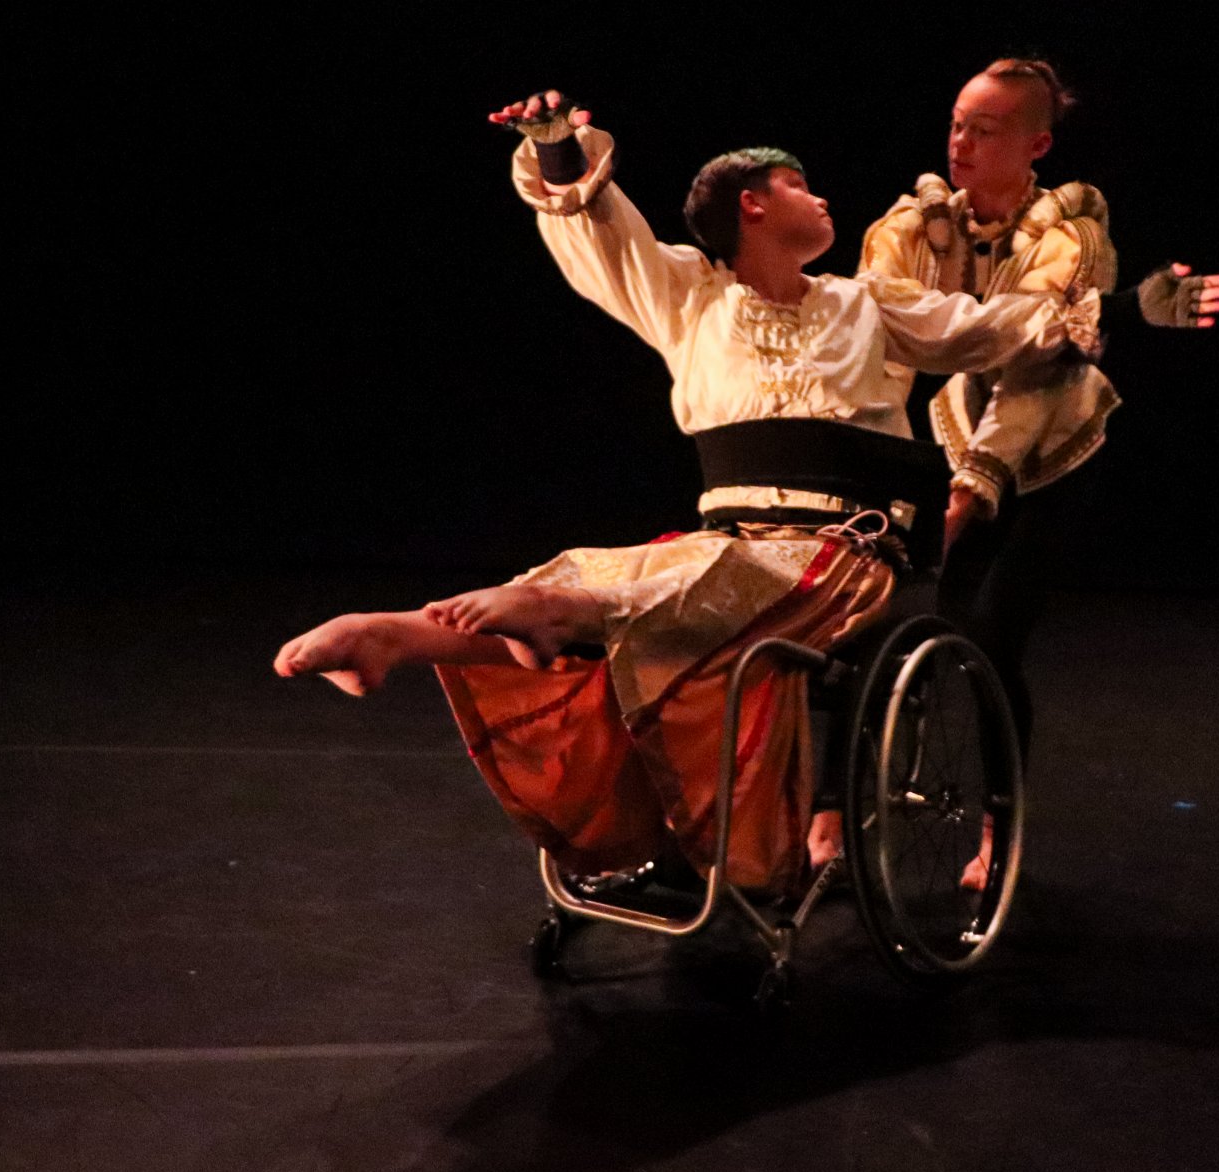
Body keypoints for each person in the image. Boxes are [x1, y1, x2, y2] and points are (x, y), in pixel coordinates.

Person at [273, 92, 1105, 899]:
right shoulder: (692, 301)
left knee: (659, 588)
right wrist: (560, 148)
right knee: (600, 568)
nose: (823, 199)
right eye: (802, 186)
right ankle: (393, 636)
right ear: (753, 204)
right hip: (732, 541)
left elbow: (997, 326)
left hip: (841, 556)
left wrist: (1112, 311)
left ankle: (553, 615)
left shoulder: (868, 304)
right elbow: (607, 240)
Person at [834, 57, 1219, 882]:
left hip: (1051, 450)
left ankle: (995, 827)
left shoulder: (1072, 235)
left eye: (984, 129)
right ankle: (836, 814)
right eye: (956, 123)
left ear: (1036, 143)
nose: (961, 141)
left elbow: (1034, 368)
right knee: (886, 623)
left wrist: (974, 485)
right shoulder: (916, 224)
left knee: (989, 638)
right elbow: (880, 330)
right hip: (956, 435)